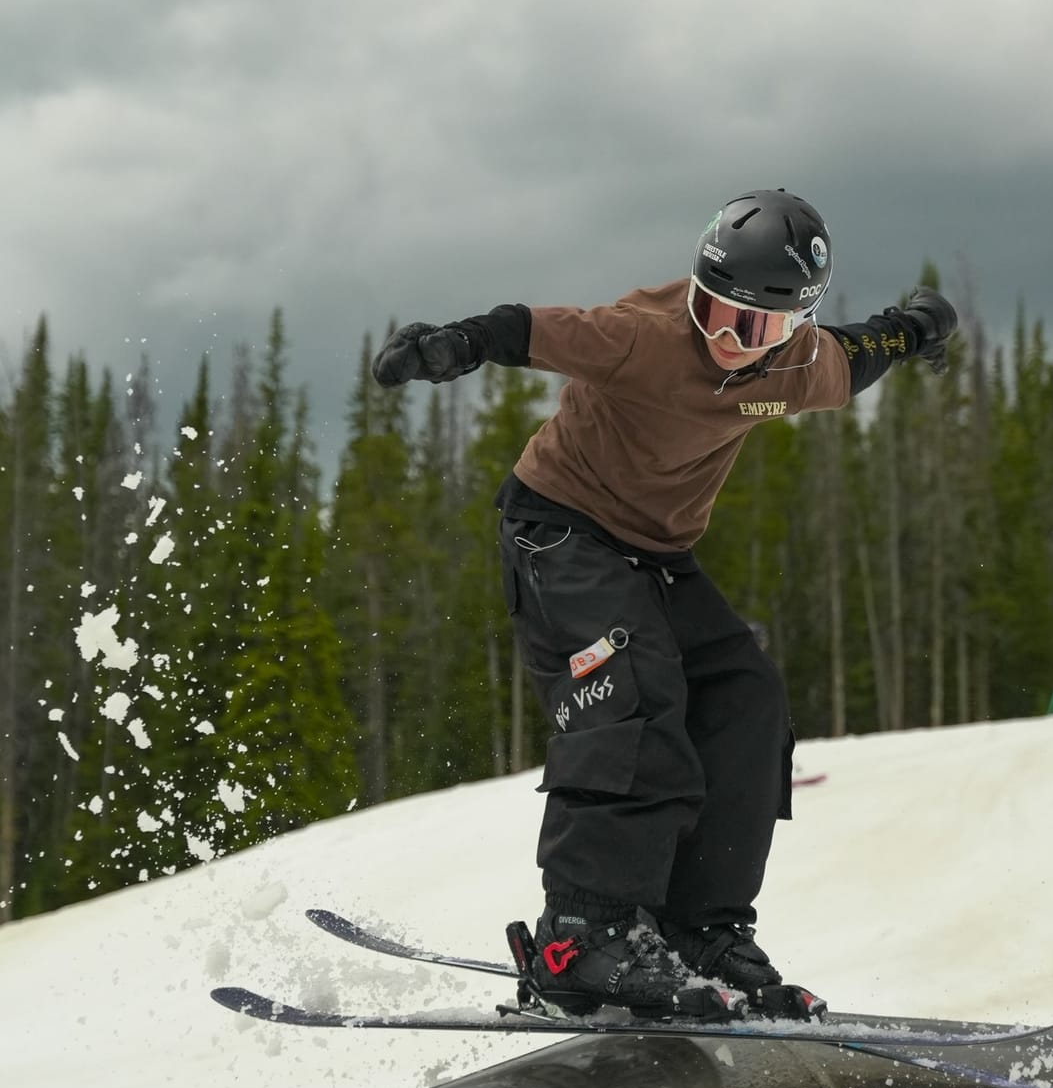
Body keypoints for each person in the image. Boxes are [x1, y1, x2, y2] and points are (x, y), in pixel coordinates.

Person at [372, 188, 957, 1023]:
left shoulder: (794, 372)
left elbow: (863, 353)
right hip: (559, 532)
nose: (722, 338)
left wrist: (918, 327)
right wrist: (448, 346)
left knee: (744, 695)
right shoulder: (645, 337)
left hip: (655, 556)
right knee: (636, 692)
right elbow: (527, 328)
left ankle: (698, 928)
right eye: (711, 309)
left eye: (748, 325)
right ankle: (581, 932)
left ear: (792, 324)